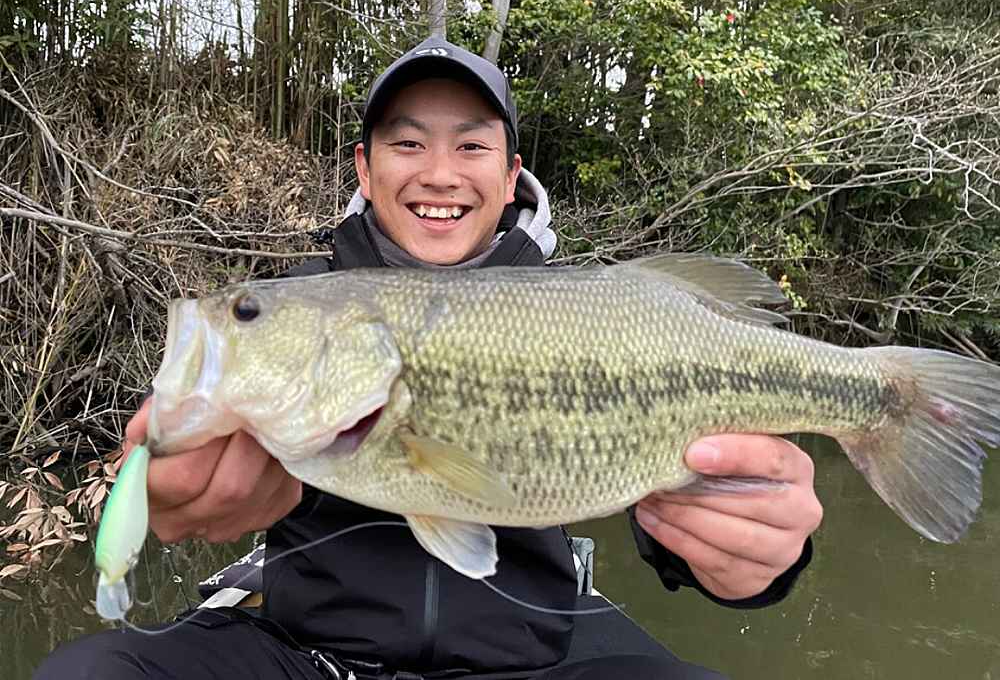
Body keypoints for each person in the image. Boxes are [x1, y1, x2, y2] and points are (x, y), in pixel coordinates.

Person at [35, 37, 822, 680]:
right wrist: (153, 480)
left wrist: (756, 561)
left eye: (471, 146)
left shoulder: (590, 316)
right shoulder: (304, 302)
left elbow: (679, 496)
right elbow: (156, 457)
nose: (439, 173)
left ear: (510, 178)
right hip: (304, 658)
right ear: (364, 167)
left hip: (534, 666)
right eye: (407, 143)